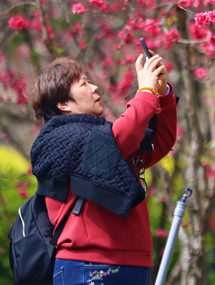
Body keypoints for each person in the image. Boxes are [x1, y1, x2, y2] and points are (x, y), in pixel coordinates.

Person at [28, 54, 178, 285]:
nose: (95, 87)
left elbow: (160, 143)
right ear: (63, 104)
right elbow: (122, 135)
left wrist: (162, 93)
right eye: (84, 84)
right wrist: (146, 92)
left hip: (133, 264)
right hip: (87, 265)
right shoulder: (59, 139)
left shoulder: (102, 138)